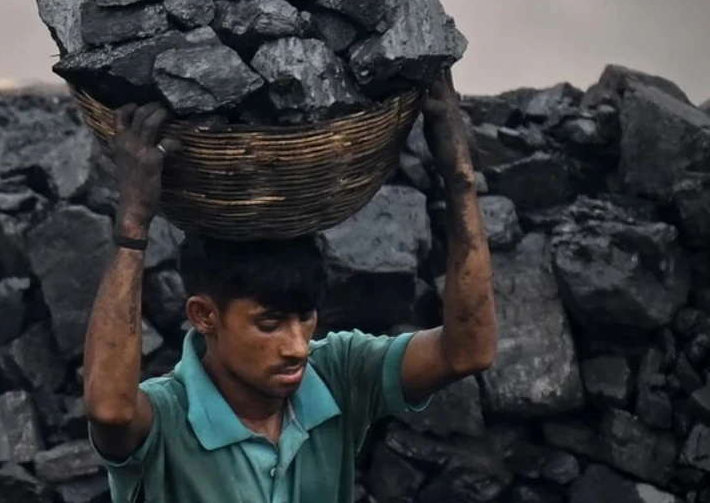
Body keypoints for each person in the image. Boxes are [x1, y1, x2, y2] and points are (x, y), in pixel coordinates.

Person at [82, 69, 497, 503]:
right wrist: (133, 222)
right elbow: (109, 410)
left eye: (305, 318)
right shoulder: (167, 416)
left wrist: (460, 179)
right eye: (269, 324)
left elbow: (467, 351)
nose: (298, 346)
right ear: (204, 315)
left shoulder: (338, 374)